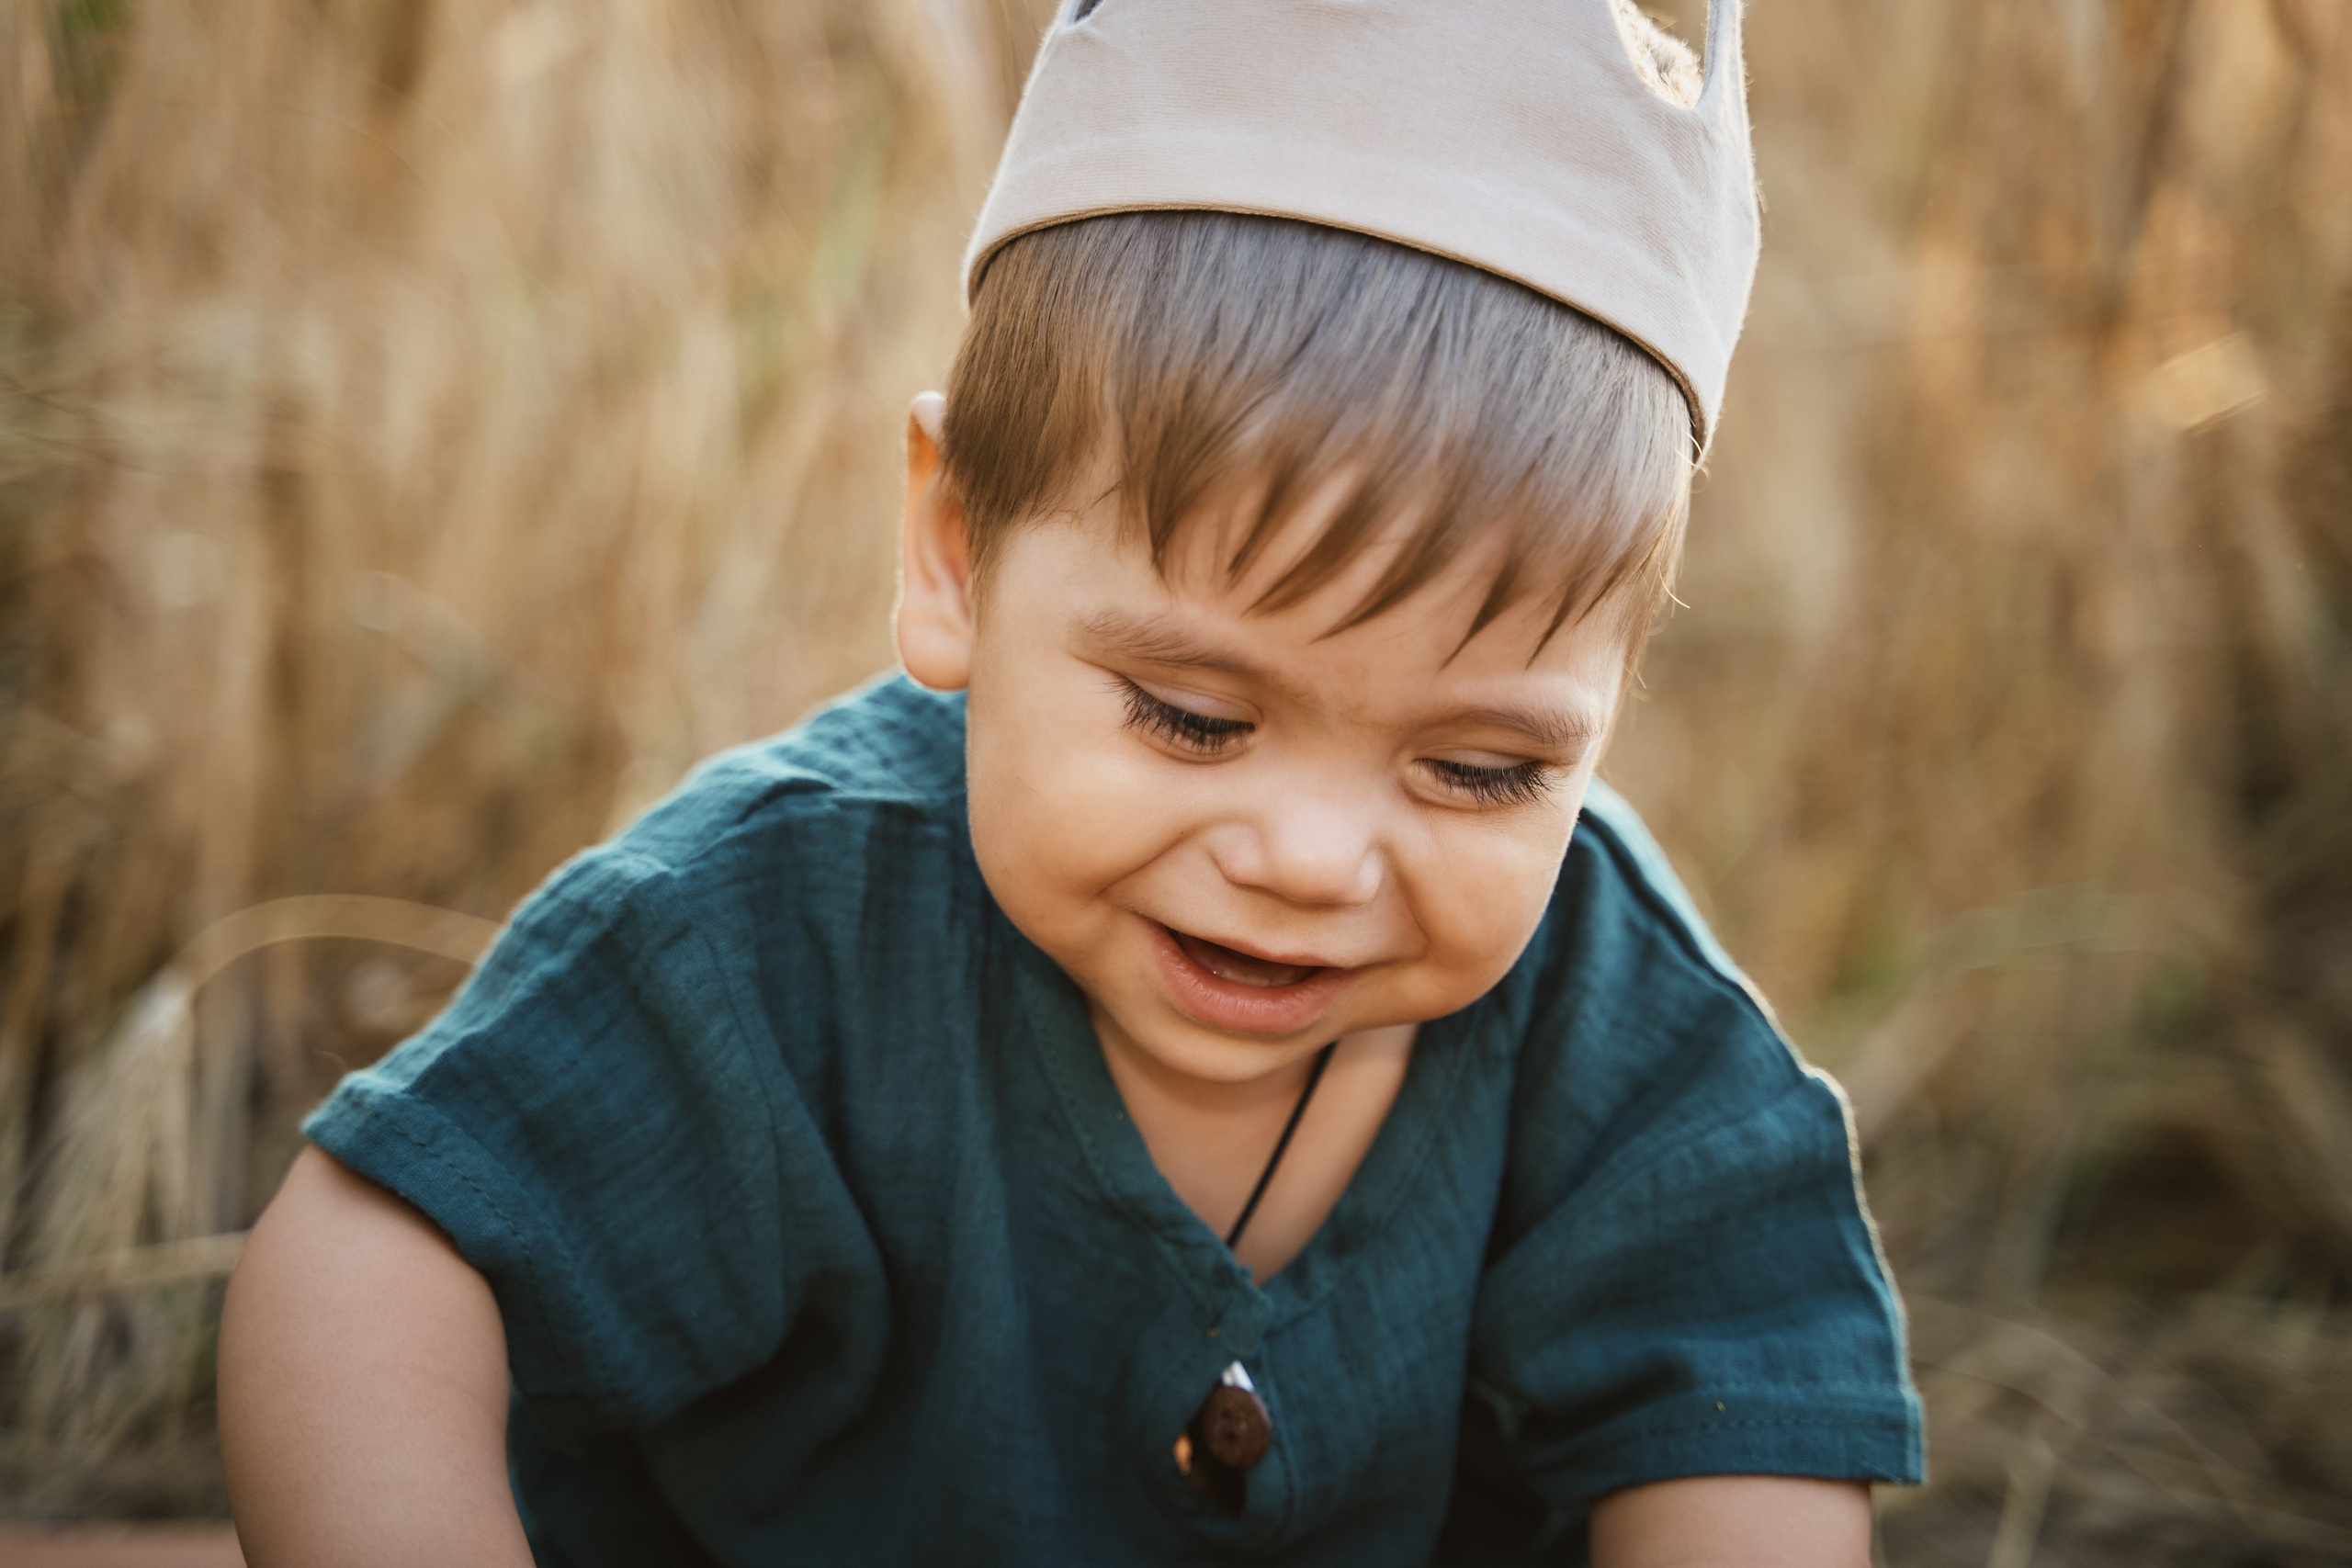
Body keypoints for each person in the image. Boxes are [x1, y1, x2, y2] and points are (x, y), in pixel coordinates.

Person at [219, 2, 1924, 1562]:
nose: (1314, 857)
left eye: (1480, 767)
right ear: (956, 550)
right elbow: (373, 1267)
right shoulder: (774, 935)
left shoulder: (1619, 1031)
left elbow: (1741, 1445)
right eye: (1192, 717)